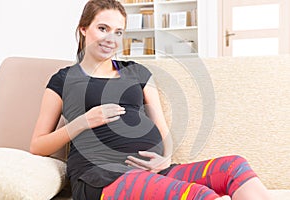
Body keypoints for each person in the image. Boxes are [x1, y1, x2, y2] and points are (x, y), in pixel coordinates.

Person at [30, 0, 272, 199]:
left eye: (118, 32)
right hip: (101, 176)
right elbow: (37, 145)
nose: (111, 39)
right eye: (103, 28)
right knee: (197, 195)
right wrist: (83, 121)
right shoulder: (63, 80)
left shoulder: (137, 72)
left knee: (234, 167)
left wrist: (165, 158)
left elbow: (162, 128)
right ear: (84, 28)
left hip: (156, 172)